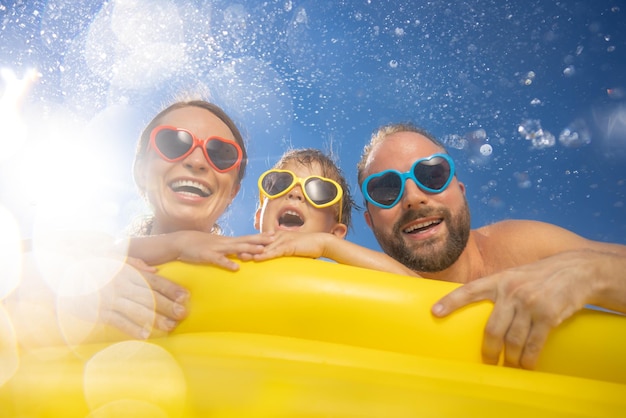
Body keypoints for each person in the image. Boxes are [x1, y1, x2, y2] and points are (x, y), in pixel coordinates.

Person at [356, 122, 626, 370]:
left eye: (431, 175)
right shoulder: (364, 292)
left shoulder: (524, 249)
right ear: (370, 222)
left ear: (461, 191)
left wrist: (594, 274)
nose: (413, 198)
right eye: (386, 190)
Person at [251, 148, 418, 276]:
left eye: (318, 191)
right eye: (280, 184)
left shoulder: (336, 278)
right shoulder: (232, 258)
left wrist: (326, 245)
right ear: (259, 216)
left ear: (335, 233)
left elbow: (413, 284)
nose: (294, 193)